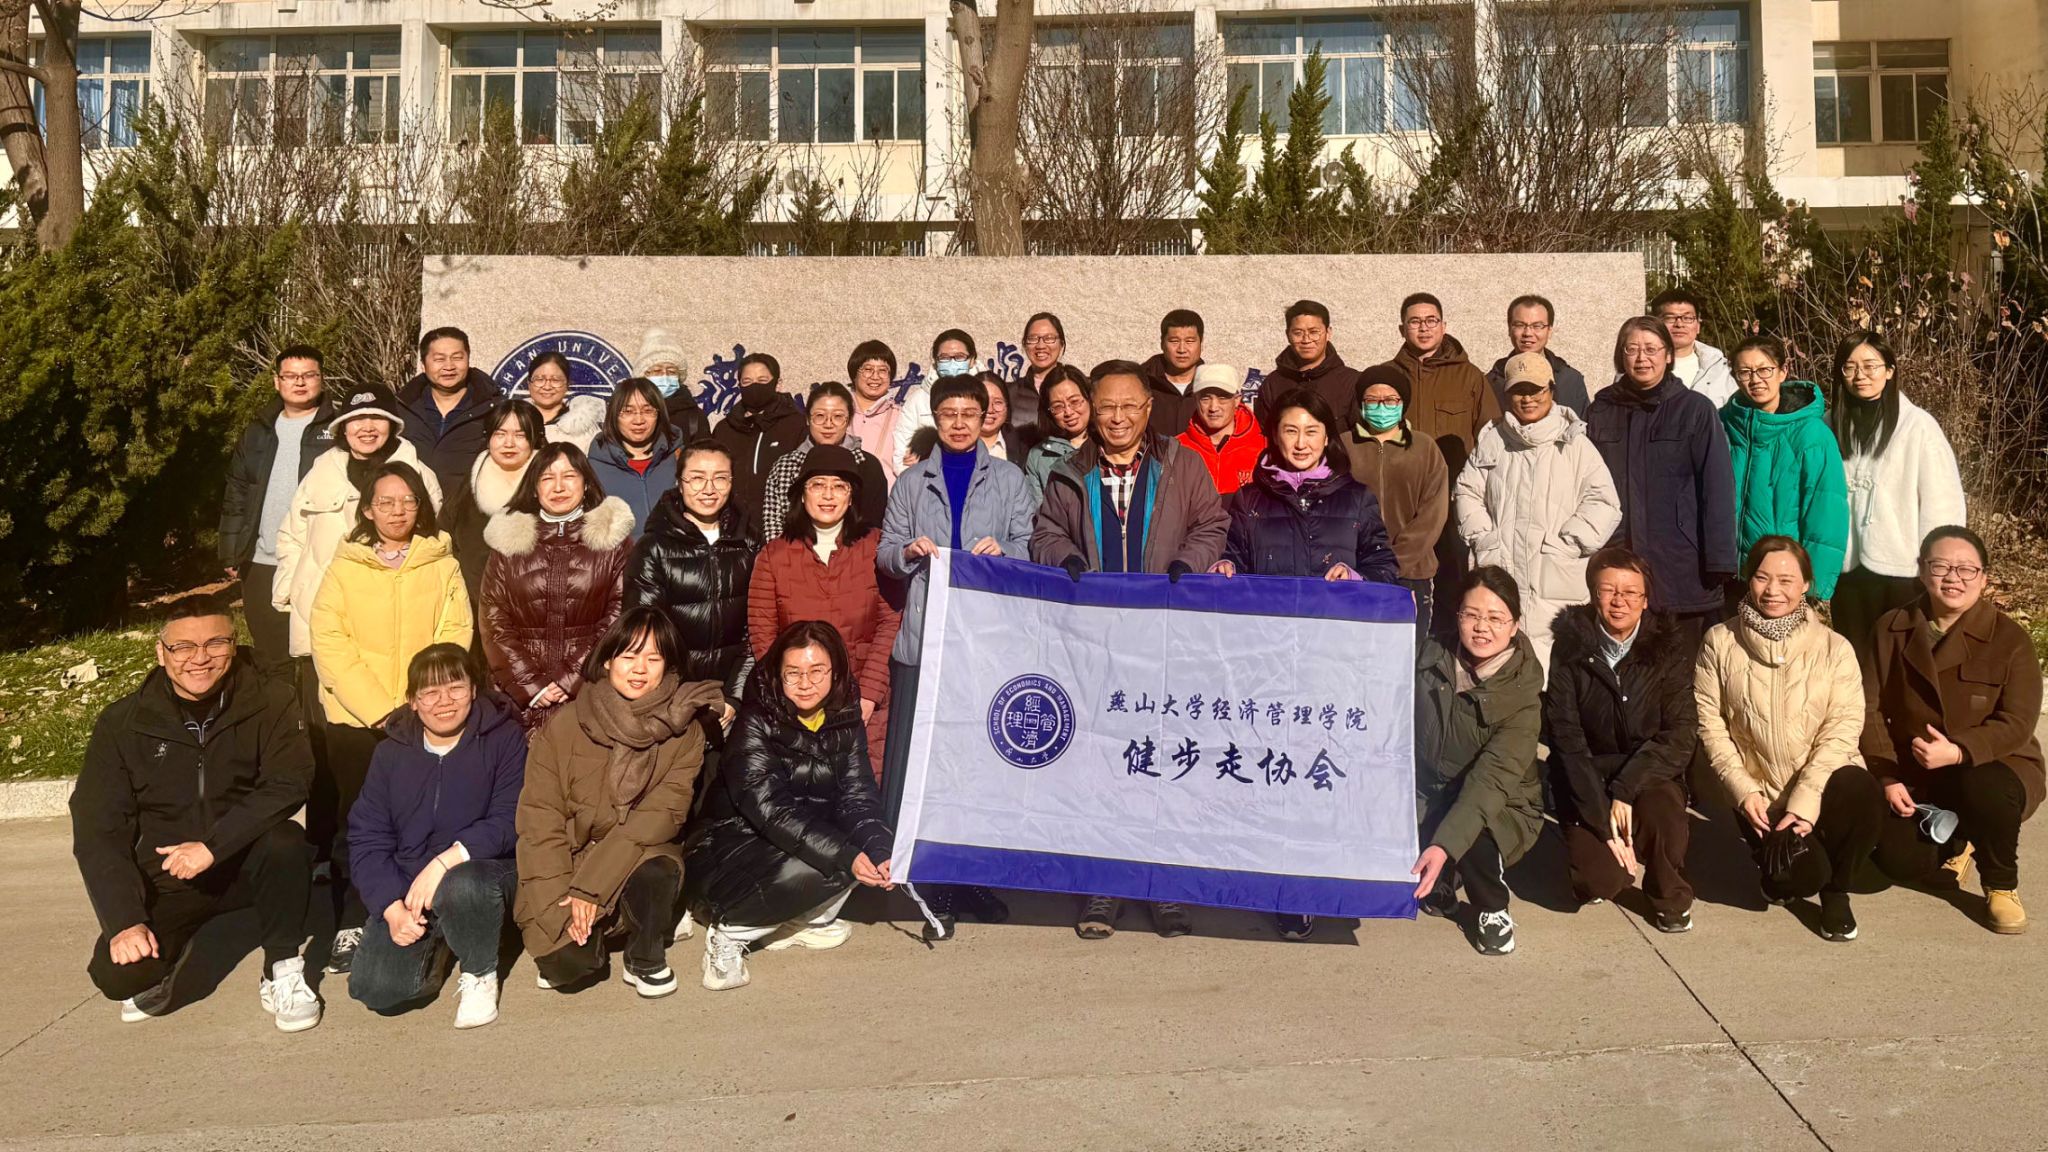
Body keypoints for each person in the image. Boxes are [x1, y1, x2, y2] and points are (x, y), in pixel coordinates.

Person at [1036, 360, 1230, 940]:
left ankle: (1163, 883)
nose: (1117, 418)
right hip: (1097, 641)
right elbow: (1045, 533)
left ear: (1149, 409)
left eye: (1128, 407)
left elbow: (1212, 525)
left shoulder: (1182, 463)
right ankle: (1105, 884)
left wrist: (1186, 565)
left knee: (1163, 758)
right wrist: (1067, 560)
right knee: (1102, 761)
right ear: (1092, 412)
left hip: (1167, 637)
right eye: (1106, 407)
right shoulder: (1071, 471)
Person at [71, 594, 319, 1031]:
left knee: (286, 842)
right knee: (119, 976)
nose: (200, 659)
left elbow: (289, 782)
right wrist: (125, 921)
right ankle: (172, 953)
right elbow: (99, 827)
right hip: (173, 874)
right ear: (161, 653)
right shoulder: (123, 722)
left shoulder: (272, 700)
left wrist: (213, 846)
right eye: (183, 647)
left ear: (233, 645)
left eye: (215, 644)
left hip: (246, 860)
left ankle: (281, 967)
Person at [1210, 388, 1395, 941]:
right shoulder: (1249, 500)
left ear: (1327, 438)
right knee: (1274, 769)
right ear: (1274, 436)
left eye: (1311, 432)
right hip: (1267, 661)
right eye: (1290, 431)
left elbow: (1385, 566)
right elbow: (1234, 555)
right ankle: (1284, 886)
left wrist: (1357, 578)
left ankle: (1324, 878)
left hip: (1332, 663)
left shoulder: (1356, 498)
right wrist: (1225, 566)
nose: (1300, 442)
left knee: (1323, 769)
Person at [878, 373, 1036, 940]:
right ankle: (934, 882)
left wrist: (1006, 552)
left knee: (977, 766)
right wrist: (908, 550)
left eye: (971, 413)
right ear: (936, 419)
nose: (961, 423)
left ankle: (971, 876)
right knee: (929, 766)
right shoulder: (911, 482)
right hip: (927, 640)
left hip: (986, 645)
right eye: (950, 414)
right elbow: (885, 553)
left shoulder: (1011, 480)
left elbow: (1030, 547)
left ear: (986, 418)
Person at [309, 461, 473, 974]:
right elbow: (329, 640)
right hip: (357, 722)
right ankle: (352, 920)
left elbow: (455, 632)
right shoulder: (345, 566)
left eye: (407, 501)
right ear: (367, 509)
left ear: (420, 507)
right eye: (386, 502)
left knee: (425, 819)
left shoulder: (441, 562)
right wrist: (383, 710)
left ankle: (423, 910)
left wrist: (423, 703)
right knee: (357, 824)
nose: (397, 511)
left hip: (426, 716)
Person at [515, 608, 726, 997]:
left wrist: (590, 889)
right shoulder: (564, 725)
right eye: (629, 656)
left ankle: (644, 952)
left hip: (635, 855)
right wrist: (560, 901)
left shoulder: (685, 732)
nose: (640, 669)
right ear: (608, 660)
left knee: (660, 867)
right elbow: (539, 823)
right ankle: (591, 933)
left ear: (669, 666)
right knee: (569, 965)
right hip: (567, 862)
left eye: (653, 658)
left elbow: (659, 817)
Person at [689, 621, 897, 991]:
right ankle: (730, 932)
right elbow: (770, 809)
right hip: (732, 842)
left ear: (836, 672)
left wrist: (880, 849)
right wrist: (843, 853)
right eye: (793, 673)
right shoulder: (756, 721)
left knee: (863, 852)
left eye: (817, 671)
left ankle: (798, 922)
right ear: (777, 674)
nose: (805, 683)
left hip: (797, 834)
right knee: (825, 861)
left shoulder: (846, 717)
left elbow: (858, 795)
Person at [1697, 536, 1882, 942]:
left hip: (1823, 784)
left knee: (1861, 789)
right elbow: (1710, 723)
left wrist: (1805, 802)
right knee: (1800, 877)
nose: (1773, 590)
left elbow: (1843, 727)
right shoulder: (1719, 641)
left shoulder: (1835, 648)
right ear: (1748, 580)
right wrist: (1743, 790)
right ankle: (1782, 872)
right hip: (1761, 796)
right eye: (1762, 577)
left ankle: (1837, 892)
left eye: (1786, 580)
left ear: (1806, 585)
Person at [1866, 527, 2042, 935]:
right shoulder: (1891, 628)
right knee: (1898, 861)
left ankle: (2000, 884)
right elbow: (1868, 707)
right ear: (1921, 571)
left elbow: (2017, 722)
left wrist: (1960, 751)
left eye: (1966, 569)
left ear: (1984, 577)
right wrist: (1887, 774)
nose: (1953, 578)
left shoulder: (2010, 639)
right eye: (1941, 566)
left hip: (2000, 767)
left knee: (1982, 786)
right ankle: (1958, 840)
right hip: (1920, 770)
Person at [345, 645, 526, 1027]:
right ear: (413, 701)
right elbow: (367, 836)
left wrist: (445, 861)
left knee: (464, 884)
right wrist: (391, 907)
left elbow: (510, 817)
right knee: (376, 988)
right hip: (412, 890)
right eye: (430, 692)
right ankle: (446, 943)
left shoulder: (504, 737)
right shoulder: (390, 755)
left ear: (473, 690)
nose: (444, 701)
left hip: (483, 871)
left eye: (455, 688)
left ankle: (480, 971)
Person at [1545, 548, 1697, 931]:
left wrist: (1626, 789)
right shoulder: (1569, 646)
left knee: (1665, 820)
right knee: (1600, 879)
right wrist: (1602, 823)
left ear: (1645, 600)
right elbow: (1567, 740)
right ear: (1592, 594)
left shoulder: (1667, 647)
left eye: (1630, 592)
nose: (1619, 601)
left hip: (1646, 773)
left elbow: (1680, 734)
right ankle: (1598, 860)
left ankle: (1668, 895)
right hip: (1588, 775)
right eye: (1608, 590)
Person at [1452, 352, 1622, 671]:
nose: (1528, 398)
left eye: (1536, 389)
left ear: (1551, 390)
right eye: (1519, 390)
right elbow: (1467, 491)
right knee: (1497, 661)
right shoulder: (1492, 441)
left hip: (1554, 577)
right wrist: (1484, 538)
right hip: (1500, 567)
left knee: (1555, 668)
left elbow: (1604, 502)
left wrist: (1568, 543)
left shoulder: (1574, 444)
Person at [1410, 567, 1545, 956]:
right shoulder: (1430, 656)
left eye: (1495, 618)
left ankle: (1492, 907)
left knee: (1472, 838)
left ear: (1514, 626)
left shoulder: (1522, 697)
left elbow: (1489, 784)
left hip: (1501, 805)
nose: (1481, 627)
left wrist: (1443, 844)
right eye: (1471, 615)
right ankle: (1443, 878)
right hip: (1432, 791)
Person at [1585, 317, 1737, 649]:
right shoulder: (1601, 410)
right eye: (1632, 349)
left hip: (1680, 563)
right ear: (1621, 356)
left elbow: (1717, 489)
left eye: (1652, 349)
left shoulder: (1695, 410)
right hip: (1618, 558)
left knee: (1679, 666)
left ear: (1668, 355)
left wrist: (1720, 561)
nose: (1642, 358)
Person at [273, 386, 445, 674]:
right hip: (324, 614)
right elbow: (292, 535)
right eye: (357, 418)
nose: (367, 427)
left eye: (377, 418)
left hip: (392, 620)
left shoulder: (419, 475)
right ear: (343, 426)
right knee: (326, 695)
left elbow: (433, 543)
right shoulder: (320, 472)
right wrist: (293, 587)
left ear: (392, 424)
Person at [748, 445, 901, 770]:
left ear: (851, 496)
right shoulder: (774, 555)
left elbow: (890, 623)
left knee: (861, 789)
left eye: (839, 486)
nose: (828, 495)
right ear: (802, 494)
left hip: (864, 702)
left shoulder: (876, 546)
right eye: (817, 485)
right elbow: (763, 635)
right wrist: (789, 695)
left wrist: (869, 694)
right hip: (797, 703)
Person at [1828, 331, 1966, 663]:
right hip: (1847, 568)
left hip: (1903, 568)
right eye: (1850, 367)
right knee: (1855, 662)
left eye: (1870, 366)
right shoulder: (1829, 424)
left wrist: (1938, 563)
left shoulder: (1918, 426)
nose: (1860, 376)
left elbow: (1942, 501)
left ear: (1889, 370)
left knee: (1902, 661)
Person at [481, 442, 634, 735]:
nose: (559, 487)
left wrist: (572, 678)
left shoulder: (613, 542)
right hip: (518, 698)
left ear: (586, 483)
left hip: (589, 691)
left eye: (570, 476)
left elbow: (620, 615)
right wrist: (531, 684)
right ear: (534, 487)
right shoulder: (508, 542)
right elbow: (493, 620)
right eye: (547, 478)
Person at [219, 343, 335, 676]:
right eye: (290, 376)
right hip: (262, 559)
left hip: (316, 559)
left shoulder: (338, 429)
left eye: (308, 375)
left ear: (321, 379)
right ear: (276, 381)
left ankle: (311, 708)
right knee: (271, 654)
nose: (300, 382)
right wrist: (231, 550)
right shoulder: (258, 430)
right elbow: (237, 491)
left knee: (319, 651)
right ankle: (281, 708)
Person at [623, 440, 758, 724]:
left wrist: (734, 695)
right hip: (671, 698)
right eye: (697, 478)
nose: (709, 489)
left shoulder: (749, 542)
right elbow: (645, 632)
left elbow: (757, 627)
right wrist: (679, 699)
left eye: (720, 478)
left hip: (733, 697)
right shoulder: (654, 547)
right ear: (680, 483)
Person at [1721, 334, 1849, 604]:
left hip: (1781, 580)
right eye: (1745, 372)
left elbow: (1825, 513)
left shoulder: (1812, 435)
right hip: (1725, 576)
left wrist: (1813, 587)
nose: (1756, 380)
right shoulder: (1722, 425)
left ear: (1783, 371)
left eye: (1764, 370)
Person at [1340, 363, 1449, 636]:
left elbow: (1433, 514)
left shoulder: (1424, 447)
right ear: (1361, 404)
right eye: (1372, 400)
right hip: (1356, 572)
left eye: (1390, 400)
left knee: (1408, 651)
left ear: (1403, 403)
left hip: (1411, 573)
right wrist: (1361, 563)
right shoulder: (1343, 445)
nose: (1381, 407)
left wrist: (1393, 562)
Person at [1374, 292, 1500, 475]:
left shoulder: (1469, 376)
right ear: (1402, 330)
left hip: (1453, 482)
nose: (1424, 328)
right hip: (1397, 480)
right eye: (1415, 322)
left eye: (1431, 320)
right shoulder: (1384, 376)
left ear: (1443, 327)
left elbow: (1490, 435)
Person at [758, 381, 887, 540]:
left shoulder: (867, 465)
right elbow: (773, 522)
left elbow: (872, 526)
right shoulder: (785, 465)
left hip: (854, 552)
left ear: (849, 420)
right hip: (791, 552)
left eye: (838, 417)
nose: (828, 424)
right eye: (820, 416)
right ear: (807, 419)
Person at [448, 399, 544, 611]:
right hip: (471, 601)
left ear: (535, 438)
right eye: (500, 434)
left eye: (520, 435)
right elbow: (447, 533)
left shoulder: (549, 483)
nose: (509, 443)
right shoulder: (474, 477)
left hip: (532, 606)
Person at [399, 326, 505, 503]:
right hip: (412, 509)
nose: (449, 366)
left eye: (457, 358)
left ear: (468, 359)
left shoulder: (495, 409)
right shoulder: (402, 408)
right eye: (439, 359)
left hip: (470, 512)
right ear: (423, 365)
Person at [710, 352, 807, 539]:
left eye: (762, 380)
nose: (754, 386)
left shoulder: (796, 425)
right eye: (747, 382)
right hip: (732, 532)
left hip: (780, 530)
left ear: (778, 384)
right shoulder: (724, 429)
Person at [587, 377, 680, 532]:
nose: (638, 420)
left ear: (659, 414)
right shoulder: (593, 468)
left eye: (648, 410)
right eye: (628, 411)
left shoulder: (679, 457)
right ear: (613, 414)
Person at [1257, 300, 1358, 430]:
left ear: (1328, 333)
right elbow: (1264, 434)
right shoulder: (1272, 384)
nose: (1306, 340)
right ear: (1287, 335)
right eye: (1298, 333)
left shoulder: (1351, 382)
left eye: (1314, 332)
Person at [1485, 295, 1591, 415]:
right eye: (1520, 325)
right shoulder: (1491, 383)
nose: (1528, 333)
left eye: (1537, 326)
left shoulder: (1570, 380)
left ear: (1549, 331)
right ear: (1509, 329)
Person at [891, 329, 980, 471]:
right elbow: (902, 458)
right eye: (944, 358)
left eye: (959, 357)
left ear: (972, 360)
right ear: (935, 361)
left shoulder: (989, 393)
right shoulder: (918, 400)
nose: (952, 362)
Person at [1176, 363, 1266, 496]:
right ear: (1196, 400)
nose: (1213, 407)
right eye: (1205, 398)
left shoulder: (1264, 447)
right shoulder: (1176, 448)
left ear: (1237, 400)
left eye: (1222, 398)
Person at [1649, 288, 1736, 408]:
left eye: (1688, 318)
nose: (1679, 324)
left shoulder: (1723, 370)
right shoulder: (1642, 367)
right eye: (1670, 318)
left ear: (1698, 326)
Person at [1024, 364, 1093, 498]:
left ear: (1089, 399)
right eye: (1058, 406)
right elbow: (1037, 506)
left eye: (1075, 401)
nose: (1068, 412)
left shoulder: (1106, 443)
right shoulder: (1039, 456)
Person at [847, 339, 907, 486]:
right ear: (854, 374)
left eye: (882, 370)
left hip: (887, 497)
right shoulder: (839, 412)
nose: (875, 376)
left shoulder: (902, 416)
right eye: (868, 369)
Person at [635, 328, 711, 443]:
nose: (665, 376)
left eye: (671, 371)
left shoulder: (694, 417)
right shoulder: (628, 413)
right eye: (657, 371)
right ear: (643, 375)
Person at [521, 351, 605, 451]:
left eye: (555, 380)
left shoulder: (587, 428)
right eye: (539, 379)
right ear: (529, 383)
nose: (547, 387)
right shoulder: (512, 421)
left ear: (567, 384)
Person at [1141, 308, 1206, 439]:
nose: (1182, 349)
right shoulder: (1141, 381)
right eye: (1174, 341)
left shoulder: (1212, 384)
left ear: (1201, 342)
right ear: (1162, 343)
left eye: (1190, 341)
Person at [1013, 311, 1071, 445]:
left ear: (1061, 344)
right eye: (1033, 339)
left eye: (1049, 338)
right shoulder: (1010, 392)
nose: (1040, 346)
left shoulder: (1077, 388)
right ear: (1024, 345)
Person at [978, 371, 1015, 460]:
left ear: (1007, 406)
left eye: (998, 402)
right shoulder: (952, 445)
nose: (989, 410)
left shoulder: (1023, 447)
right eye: (982, 401)